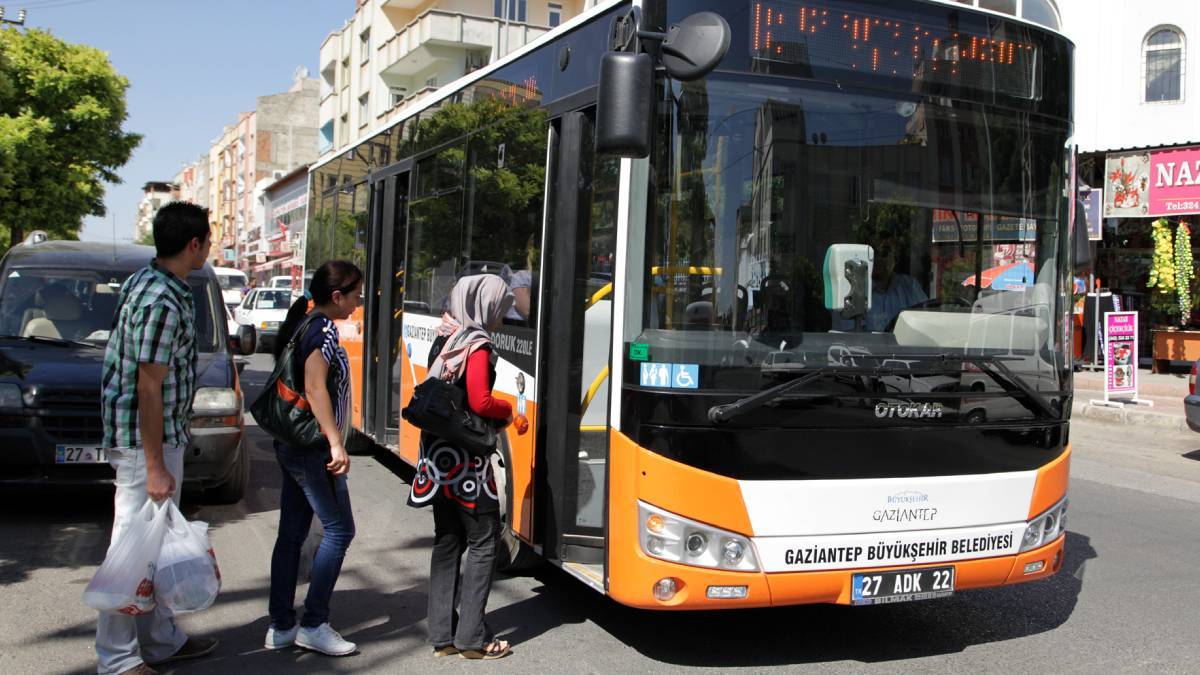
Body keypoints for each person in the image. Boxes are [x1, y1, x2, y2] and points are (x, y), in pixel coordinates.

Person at [96, 202, 216, 675]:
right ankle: (118, 658)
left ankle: (161, 640)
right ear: (194, 244)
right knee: (130, 551)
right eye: (208, 241)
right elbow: (149, 387)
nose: (209, 249)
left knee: (153, 548)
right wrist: (154, 466)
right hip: (147, 443)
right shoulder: (161, 300)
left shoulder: (153, 282)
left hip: (157, 437)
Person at [408, 274, 515, 660]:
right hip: (468, 465)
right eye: (500, 307)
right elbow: (481, 401)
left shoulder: (445, 337)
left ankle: (443, 636)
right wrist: (507, 409)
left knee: (447, 540)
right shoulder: (477, 345)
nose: (503, 315)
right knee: (484, 542)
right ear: (485, 305)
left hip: (439, 462)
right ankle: (473, 638)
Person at [265, 260, 364, 657]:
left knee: (292, 534)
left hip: (295, 443)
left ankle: (281, 626)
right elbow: (314, 386)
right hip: (313, 448)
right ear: (336, 296)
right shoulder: (321, 329)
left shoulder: (306, 323)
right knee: (340, 531)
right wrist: (336, 442)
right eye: (355, 296)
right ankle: (314, 623)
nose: (358, 304)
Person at [832, 239, 927, 332]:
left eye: (885, 254)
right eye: (874, 254)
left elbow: (925, 321)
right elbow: (849, 335)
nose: (878, 259)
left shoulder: (909, 286)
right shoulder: (849, 287)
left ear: (895, 259)